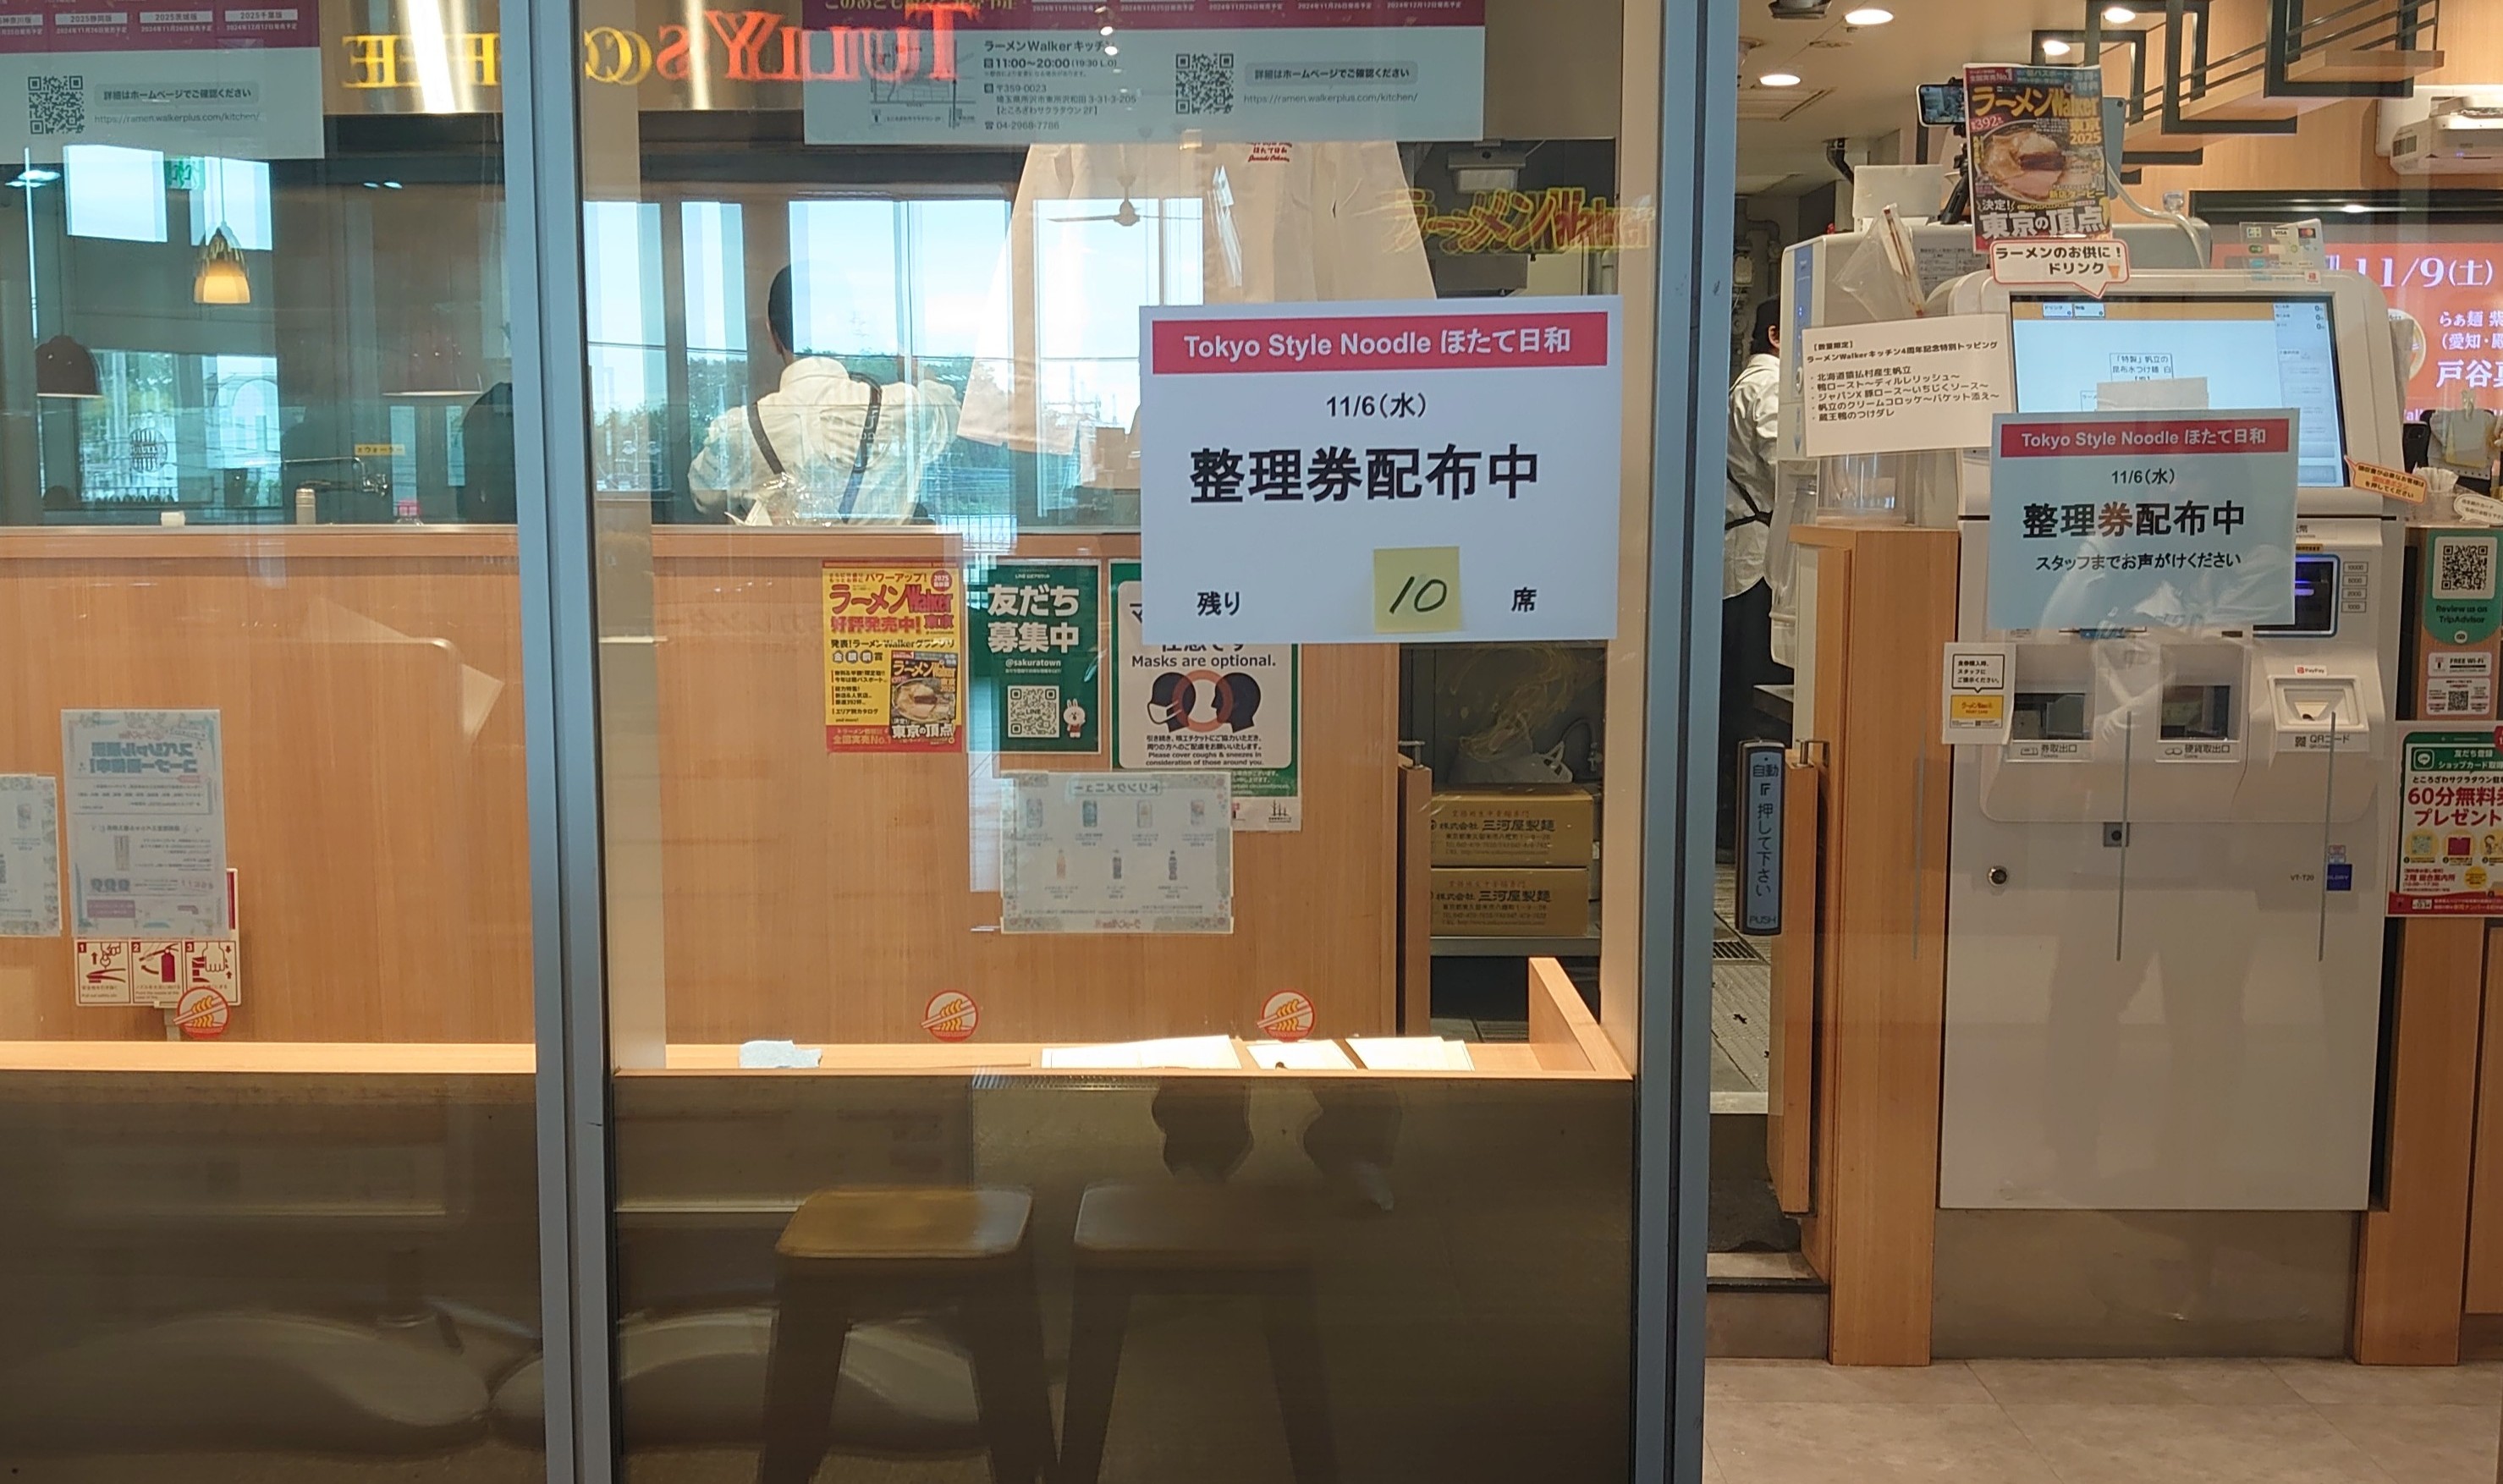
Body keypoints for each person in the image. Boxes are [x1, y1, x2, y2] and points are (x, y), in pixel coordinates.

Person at [689, 266, 961, 523]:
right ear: (846, 331)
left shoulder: (739, 430)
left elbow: (703, 496)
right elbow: (947, 406)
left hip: (778, 561)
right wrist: (899, 354)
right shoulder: (900, 409)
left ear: (772, 333)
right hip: (890, 561)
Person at [1719, 296, 1788, 856]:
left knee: (1742, 693)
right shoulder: (1768, 386)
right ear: (1775, 335)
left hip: (1749, 557)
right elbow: (1787, 466)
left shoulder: (1751, 385)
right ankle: (1745, 825)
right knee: (1755, 697)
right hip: (1756, 563)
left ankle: (1735, 821)